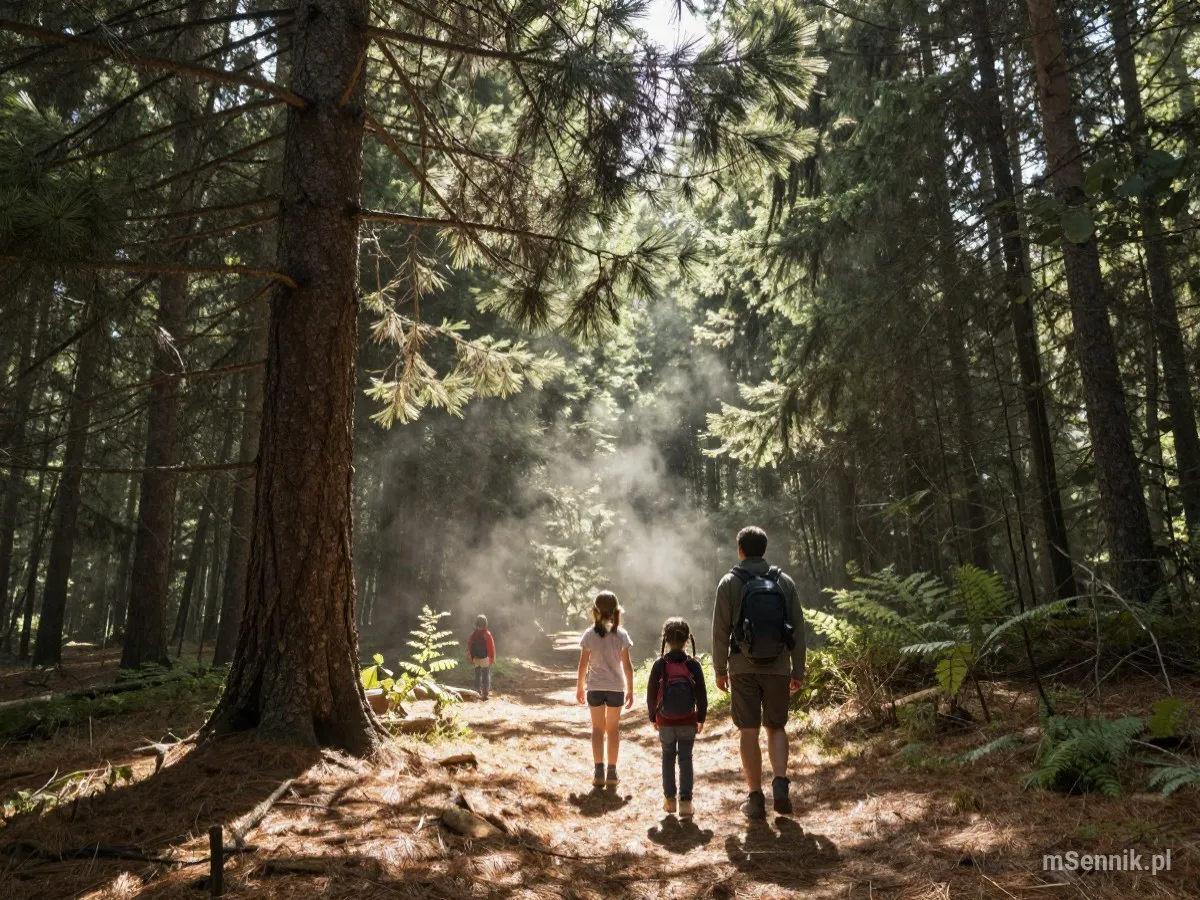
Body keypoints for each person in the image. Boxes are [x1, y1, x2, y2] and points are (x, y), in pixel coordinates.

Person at [712, 526, 806, 819]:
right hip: (778, 667)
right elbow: (798, 630)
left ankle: (755, 798)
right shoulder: (784, 582)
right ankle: (780, 783)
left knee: (749, 731)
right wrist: (798, 669)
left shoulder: (729, 583)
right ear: (764, 549)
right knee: (776, 727)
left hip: (743, 669)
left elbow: (720, 631)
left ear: (740, 550)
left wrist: (719, 669)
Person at [646, 617, 708, 818]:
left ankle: (670, 800)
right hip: (688, 720)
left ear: (665, 639)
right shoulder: (693, 665)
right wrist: (701, 717)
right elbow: (701, 694)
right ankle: (686, 803)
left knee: (667, 757)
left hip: (665, 720)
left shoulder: (659, 664)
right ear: (687, 639)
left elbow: (651, 693)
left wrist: (653, 716)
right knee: (686, 759)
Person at [575, 591, 634, 787]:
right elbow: (627, 666)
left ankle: (598, 771)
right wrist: (630, 690)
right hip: (616, 688)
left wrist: (580, 687)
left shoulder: (589, 635)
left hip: (595, 687)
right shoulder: (621, 635)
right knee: (613, 729)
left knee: (597, 729)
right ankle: (612, 773)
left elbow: (583, 664)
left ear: (595, 611)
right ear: (616, 611)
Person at [466, 615, 496, 700]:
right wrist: (491, 658)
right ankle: (485, 694)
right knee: (486, 675)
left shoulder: (474, 634)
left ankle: (477, 692)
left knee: (477, 675)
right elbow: (491, 647)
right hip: (485, 658)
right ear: (486, 623)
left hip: (476, 658)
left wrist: (471, 657)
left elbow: (470, 645)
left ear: (476, 623)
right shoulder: (487, 634)